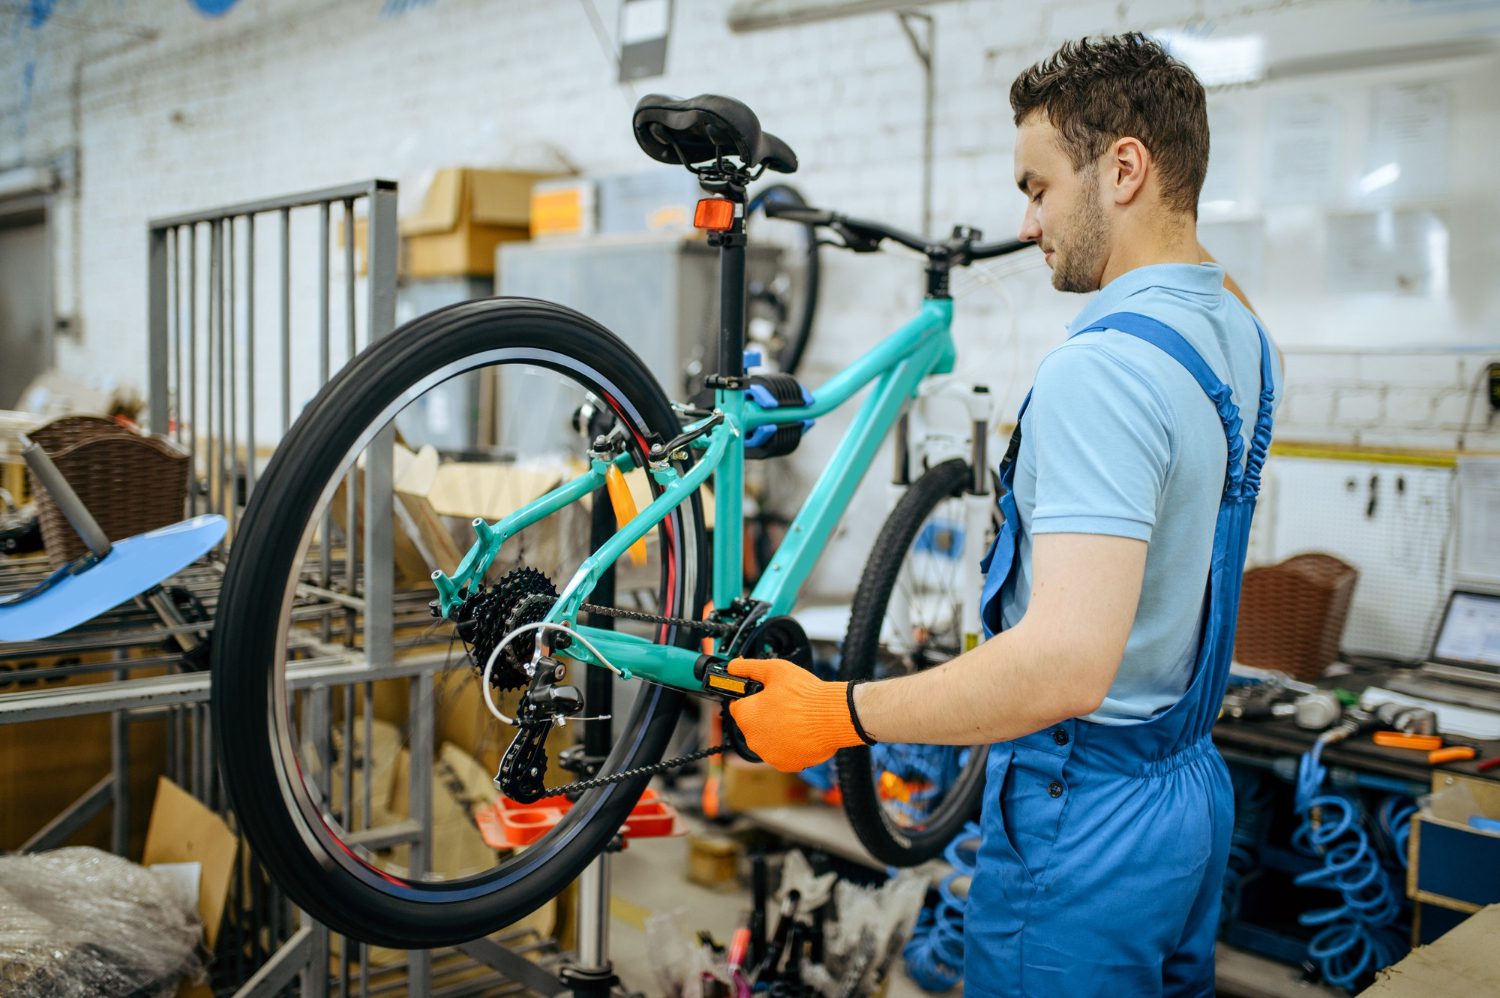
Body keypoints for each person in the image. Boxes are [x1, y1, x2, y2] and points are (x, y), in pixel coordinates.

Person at [726, 32, 1281, 996]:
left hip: (1084, 818)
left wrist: (834, 713)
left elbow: (1065, 664)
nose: (1027, 226)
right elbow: (1203, 271)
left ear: (1123, 169)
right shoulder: (1243, 335)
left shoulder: (1100, 374)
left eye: (1038, 188)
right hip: (1189, 801)